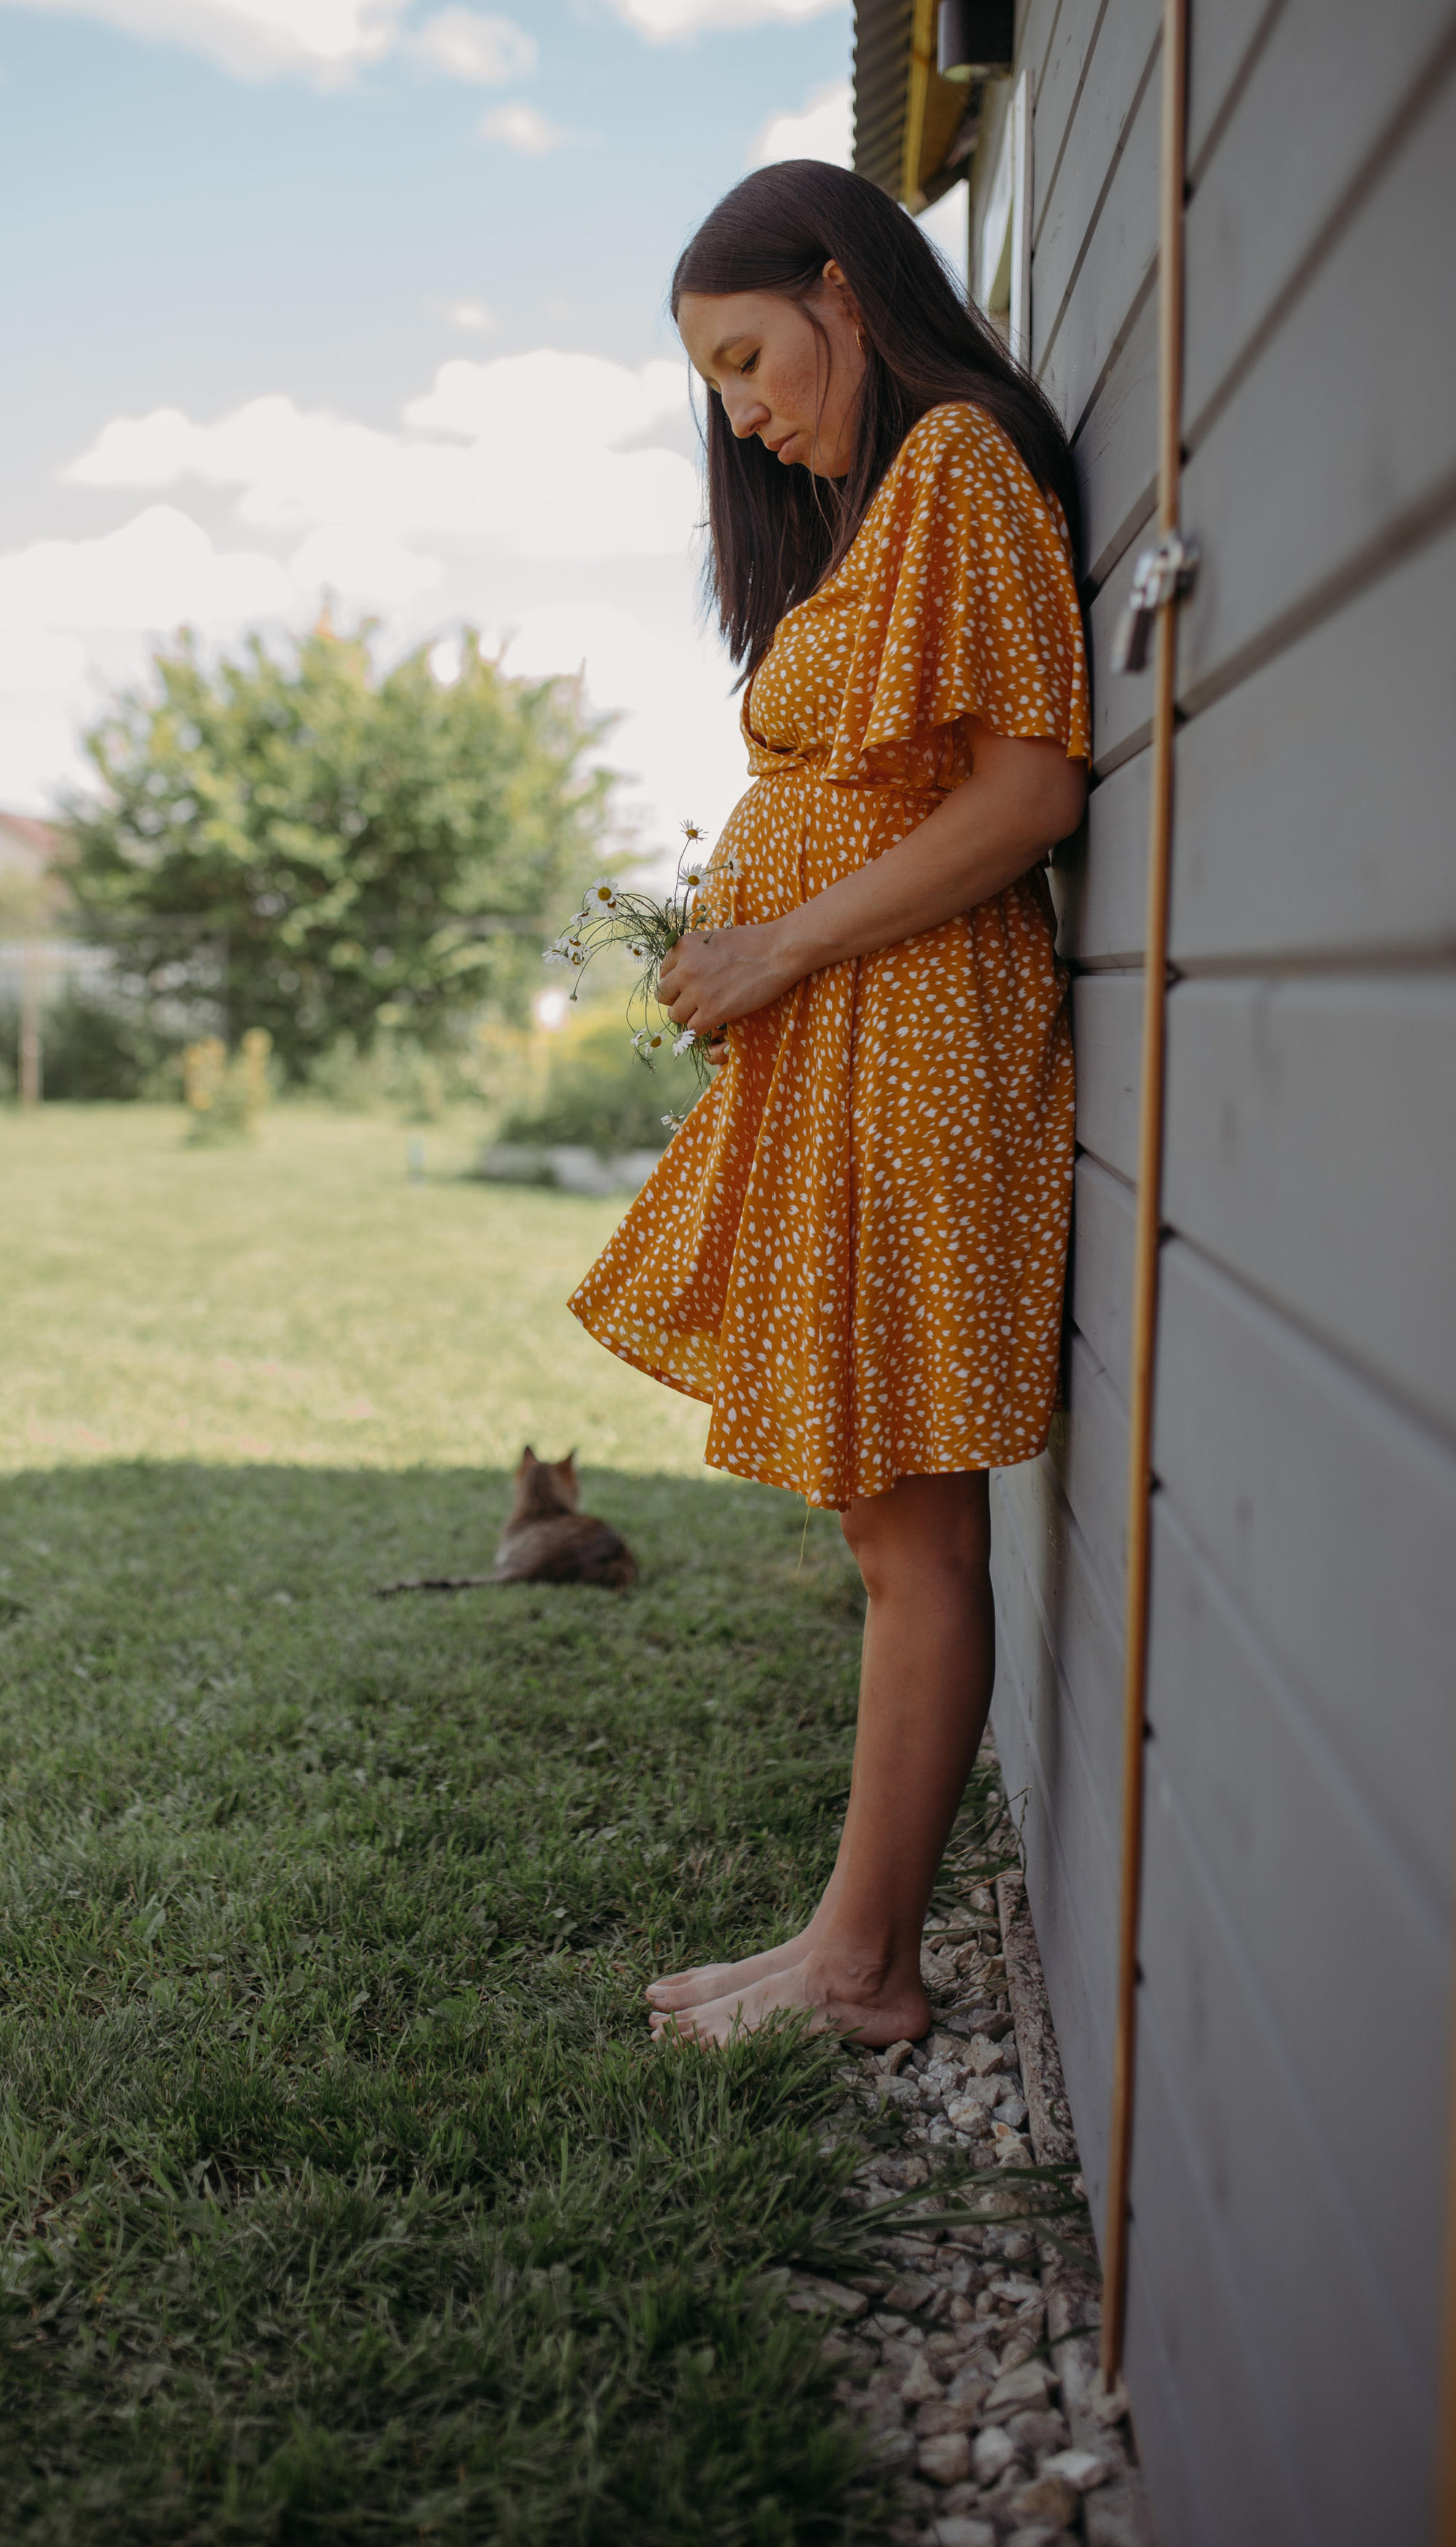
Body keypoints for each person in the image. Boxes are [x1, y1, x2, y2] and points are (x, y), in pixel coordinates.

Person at [566, 161, 1089, 2049]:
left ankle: (863, 1967)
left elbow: (1031, 789)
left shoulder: (954, 467)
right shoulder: (882, 506)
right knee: (890, 1527)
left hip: (917, 1033)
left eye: (749, 357)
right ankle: (844, 1941)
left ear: (840, 291)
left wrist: (779, 946)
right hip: (863, 1032)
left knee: (911, 1530)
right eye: (713, 385)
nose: (743, 408)